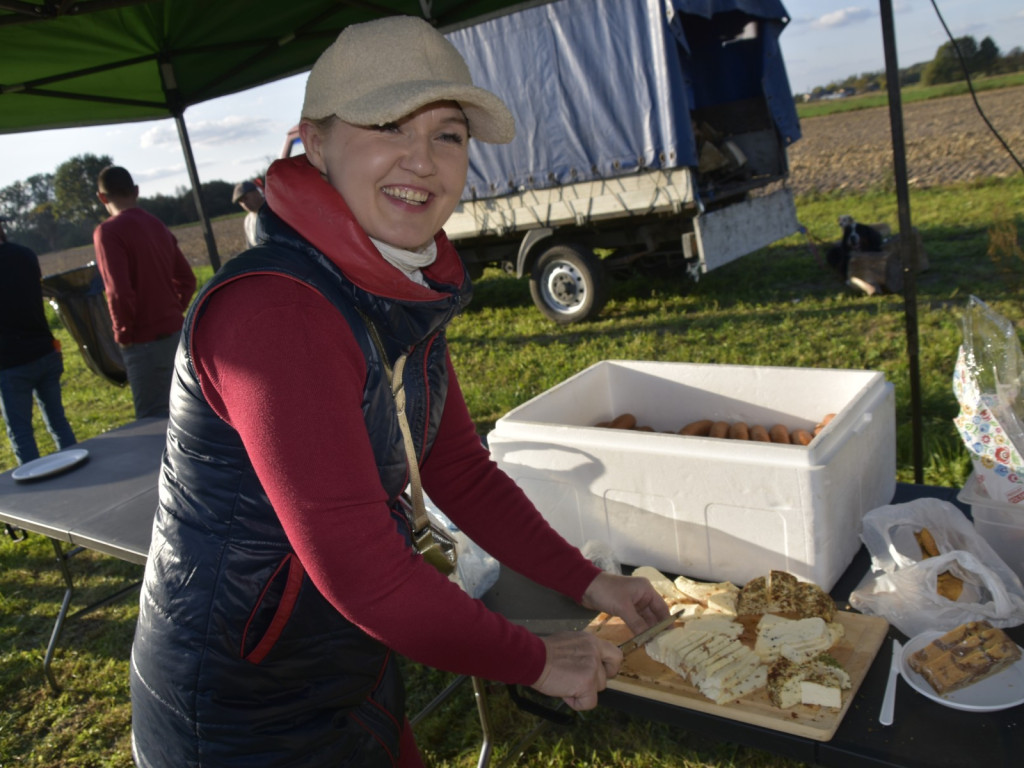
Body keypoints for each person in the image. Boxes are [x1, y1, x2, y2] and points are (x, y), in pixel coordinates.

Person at [129, 16, 669, 768]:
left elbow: (459, 473)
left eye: (447, 135)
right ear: (315, 144)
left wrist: (588, 581)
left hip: (349, 666)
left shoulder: (395, 286)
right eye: (387, 124)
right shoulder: (275, 312)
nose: (422, 159)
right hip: (242, 715)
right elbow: (363, 572)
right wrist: (541, 659)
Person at [93, 166, 197, 419]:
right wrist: (172, 308)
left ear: (102, 198)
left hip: (142, 341)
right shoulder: (156, 225)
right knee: (188, 413)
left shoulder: (108, 232)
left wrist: (123, 333)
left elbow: (118, 292)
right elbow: (187, 279)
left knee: (152, 421)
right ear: (136, 191)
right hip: (176, 334)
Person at [0, 216, 77, 465]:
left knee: (21, 433)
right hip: (44, 349)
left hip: (10, 362)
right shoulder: (26, 255)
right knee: (58, 422)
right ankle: (76, 466)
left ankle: (38, 496)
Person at [231, 179, 265, 247]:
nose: (244, 203)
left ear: (257, 193)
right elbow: (250, 247)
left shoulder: (275, 210)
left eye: (245, 198)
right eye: (240, 201)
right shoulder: (248, 220)